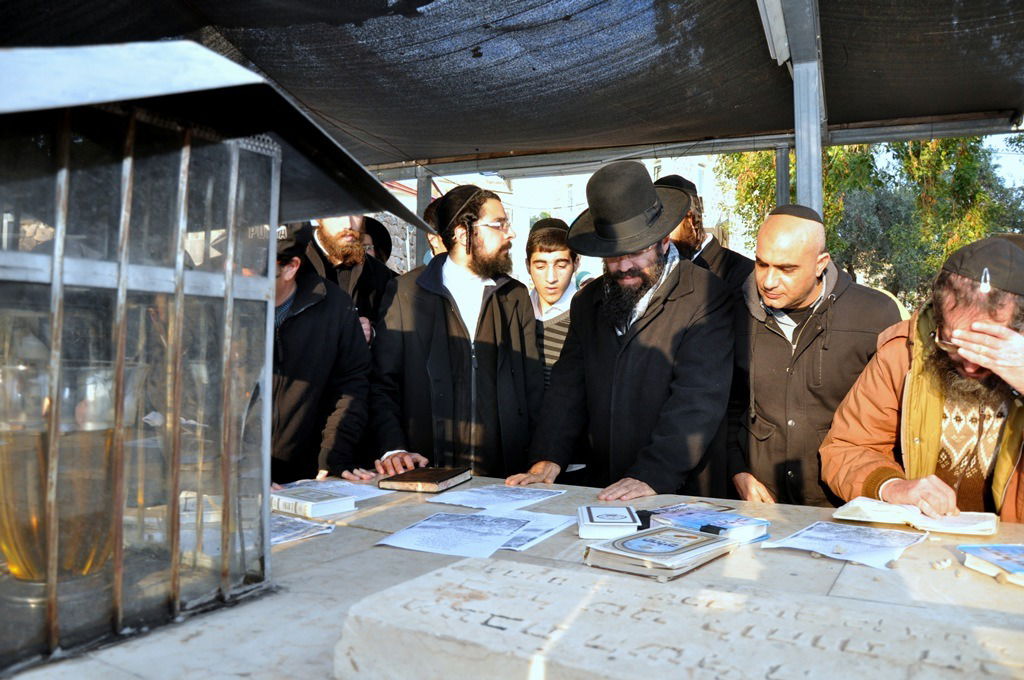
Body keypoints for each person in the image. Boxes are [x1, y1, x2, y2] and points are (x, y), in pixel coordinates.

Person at [507, 161, 734, 500]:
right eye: (613, 256)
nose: (625, 266)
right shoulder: (588, 302)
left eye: (637, 252)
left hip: (676, 491)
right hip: (605, 486)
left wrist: (653, 474)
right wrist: (547, 457)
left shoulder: (705, 296)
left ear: (662, 240)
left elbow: (698, 401)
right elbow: (568, 388)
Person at [821, 237, 1024, 522]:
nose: (970, 363)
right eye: (953, 343)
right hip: (923, 539)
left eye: (987, 346)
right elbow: (847, 447)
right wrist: (892, 486)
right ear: (938, 321)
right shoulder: (903, 352)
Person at [357, 185, 544, 480]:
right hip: (425, 466)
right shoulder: (406, 292)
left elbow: (532, 386)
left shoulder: (514, 295)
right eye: (498, 225)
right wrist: (393, 447)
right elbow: (383, 383)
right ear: (461, 233)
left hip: (503, 475)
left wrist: (539, 458)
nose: (510, 234)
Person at [728, 205, 901, 506]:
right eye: (761, 263)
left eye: (786, 269)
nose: (768, 281)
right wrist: (737, 471)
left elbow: (890, 422)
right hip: (760, 506)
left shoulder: (874, 315)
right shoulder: (731, 313)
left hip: (845, 507)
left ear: (821, 263)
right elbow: (724, 408)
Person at [271, 222, 371, 484]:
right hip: (228, 476)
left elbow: (350, 386)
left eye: (257, 266)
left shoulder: (334, 305)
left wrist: (334, 455)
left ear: (291, 267)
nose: (243, 272)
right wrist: (242, 467)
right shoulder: (220, 302)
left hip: (304, 477)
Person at [654, 174, 753, 293]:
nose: (659, 236)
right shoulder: (657, 270)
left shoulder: (743, 273)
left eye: (666, 224)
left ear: (691, 219)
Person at [306, 215, 396, 341]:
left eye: (355, 213)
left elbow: (394, 335)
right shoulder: (295, 264)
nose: (348, 224)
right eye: (338, 214)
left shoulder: (380, 274)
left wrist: (372, 333)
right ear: (319, 218)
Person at [525, 218, 579, 386]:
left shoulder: (587, 318)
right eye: (540, 267)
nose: (551, 278)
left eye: (561, 265)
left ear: (576, 263)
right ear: (528, 266)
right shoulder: (514, 313)